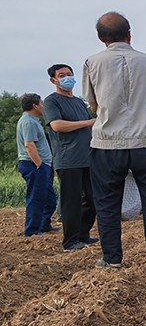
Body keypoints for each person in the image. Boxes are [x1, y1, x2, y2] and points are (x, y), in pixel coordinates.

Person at [82, 11, 146, 269]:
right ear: (130, 34)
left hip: (107, 143)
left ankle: (112, 259)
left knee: (107, 202)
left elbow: (93, 105)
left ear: (101, 38)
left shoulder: (92, 62)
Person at [43, 64, 98, 252]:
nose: (67, 78)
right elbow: (57, 125)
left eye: (69, 74)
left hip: (88, 158)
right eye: (62, 75)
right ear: (53, 80)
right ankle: (70, 241)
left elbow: (93, 125)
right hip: (68, 159)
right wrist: (88, 122)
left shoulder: (79, 102)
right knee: (71, 201)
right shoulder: (52, 102)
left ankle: (83, 234)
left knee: (92, 199)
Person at [16, 93, 58, 236]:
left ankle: (43, 225)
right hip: (33, 165)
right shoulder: (28, 122)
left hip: (40, 165)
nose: (42, 106)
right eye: (41, 103)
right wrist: (39, 165)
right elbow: (29, 145)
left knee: (50, 199)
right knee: (36, 198)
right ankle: (32, 231)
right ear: (34, 105)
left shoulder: (33, 120)